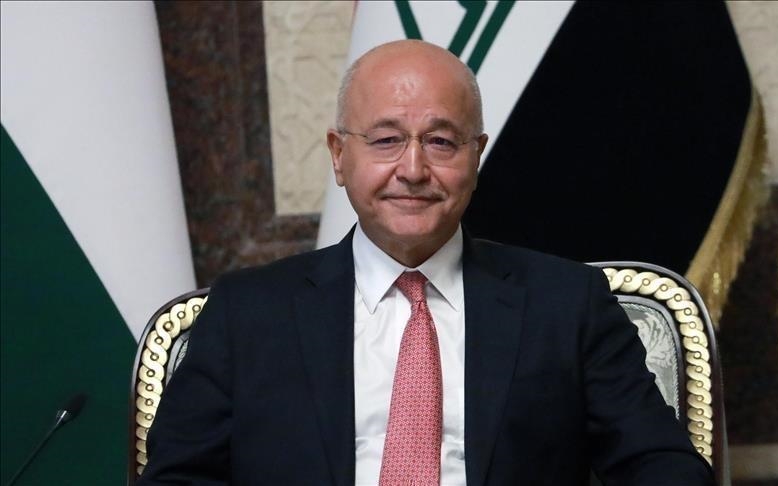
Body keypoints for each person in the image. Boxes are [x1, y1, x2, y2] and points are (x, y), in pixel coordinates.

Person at [139, 39, 714, 485]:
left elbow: (662, 469)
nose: (413, 170)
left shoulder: (567, 305)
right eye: (386, 140)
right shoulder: (246, 313)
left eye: (440, 142)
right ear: (339, 155)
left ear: (476, 156)